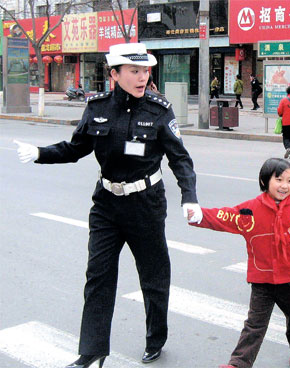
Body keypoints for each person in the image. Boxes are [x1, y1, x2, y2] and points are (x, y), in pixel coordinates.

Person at [14, 43, 200, 367]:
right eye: (134, 71)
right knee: (98, 276)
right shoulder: (97, 106)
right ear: (114, 74)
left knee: (154, 277)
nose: (142, 77)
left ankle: (156, 338)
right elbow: (75, 148)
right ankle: (92, 351)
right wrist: (41, 153)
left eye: (145, 71)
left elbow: (180, 159)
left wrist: (190, 197)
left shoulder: (159, 109)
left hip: (146, 204)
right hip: (106, 205)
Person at [187, 158, 290, 368]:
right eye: (279, 179)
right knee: (255, 324)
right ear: (264, 182)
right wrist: (199, 216)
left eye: (289, 181)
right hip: (262, 279)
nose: (284, 185)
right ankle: (238, 363)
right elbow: (225, 217)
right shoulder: (251, 210)